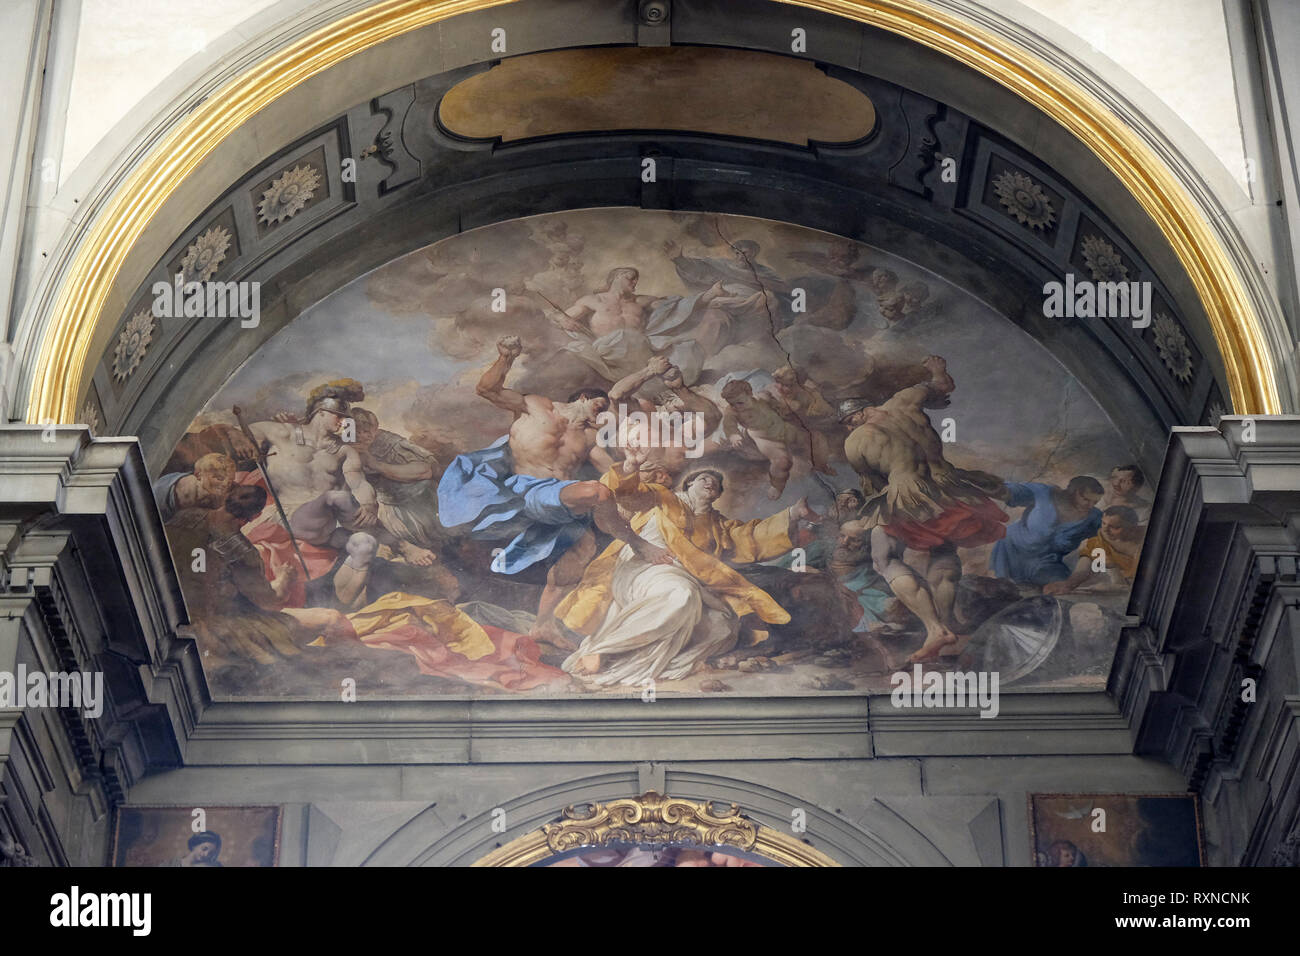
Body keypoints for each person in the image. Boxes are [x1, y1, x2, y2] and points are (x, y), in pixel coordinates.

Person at [438, 336, 673, 643]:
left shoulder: (588, 438)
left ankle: (543, 625)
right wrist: (505, 358)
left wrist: (634, 470)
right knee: (596, 494)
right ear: (585, 397)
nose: (602, 417)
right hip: (529, 490)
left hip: (561, 499)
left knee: (581, 551)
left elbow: (607, 468)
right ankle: (639, 543)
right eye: (600, 407)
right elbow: (487, 390)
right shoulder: (535, 407)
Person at [556, 445, 820, 686]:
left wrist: (791, 514)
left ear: (717, 495)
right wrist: (629, 468)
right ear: (689, 483)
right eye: (704, 478)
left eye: (716, 484)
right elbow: (629, 495)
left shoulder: (719, 525)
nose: (711, 483)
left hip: (685, 577)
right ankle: (604, 649)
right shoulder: (663, 498)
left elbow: (751, 538)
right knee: (681, 594)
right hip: (643, 567)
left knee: (724, 624)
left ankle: (648, 661)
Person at [844, 355, 1008, 661]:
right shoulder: (903, 401)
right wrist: (937, 369)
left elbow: (873, 486)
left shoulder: (856, 440)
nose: (849, 425)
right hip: (946, 483)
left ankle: (935, 629)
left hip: (906, 490)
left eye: (848, 420)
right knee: (944, 550)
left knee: (884, 557)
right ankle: (948, 626)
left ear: (857, 413)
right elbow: (942, 386)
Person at [991, 476, 1104, 587]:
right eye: (1086, 499)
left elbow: (1103, 540)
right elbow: (1015, 492)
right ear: (1073, 492)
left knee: (1060, 585)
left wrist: (1099, 566)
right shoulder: (1045, 493)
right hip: (1011, 550)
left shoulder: (1094, 517)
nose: (1090, 506)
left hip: (1046, 562)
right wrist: (996, 488)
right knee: (1003, 591)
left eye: (1095, 502)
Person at [1044, 505, 1144, 594]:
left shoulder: (1148, 537)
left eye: (1114, 527)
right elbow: (1085, 566)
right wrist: (1068, 584)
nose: (1105, 529)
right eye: (1104, 523)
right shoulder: (1098, 541)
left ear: (1131, 527)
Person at [152, 452, 236, 524]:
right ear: (198, 474)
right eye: (219, 478)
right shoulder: (162, 491)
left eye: (230, 480)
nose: (225, 484)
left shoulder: (217, 498)